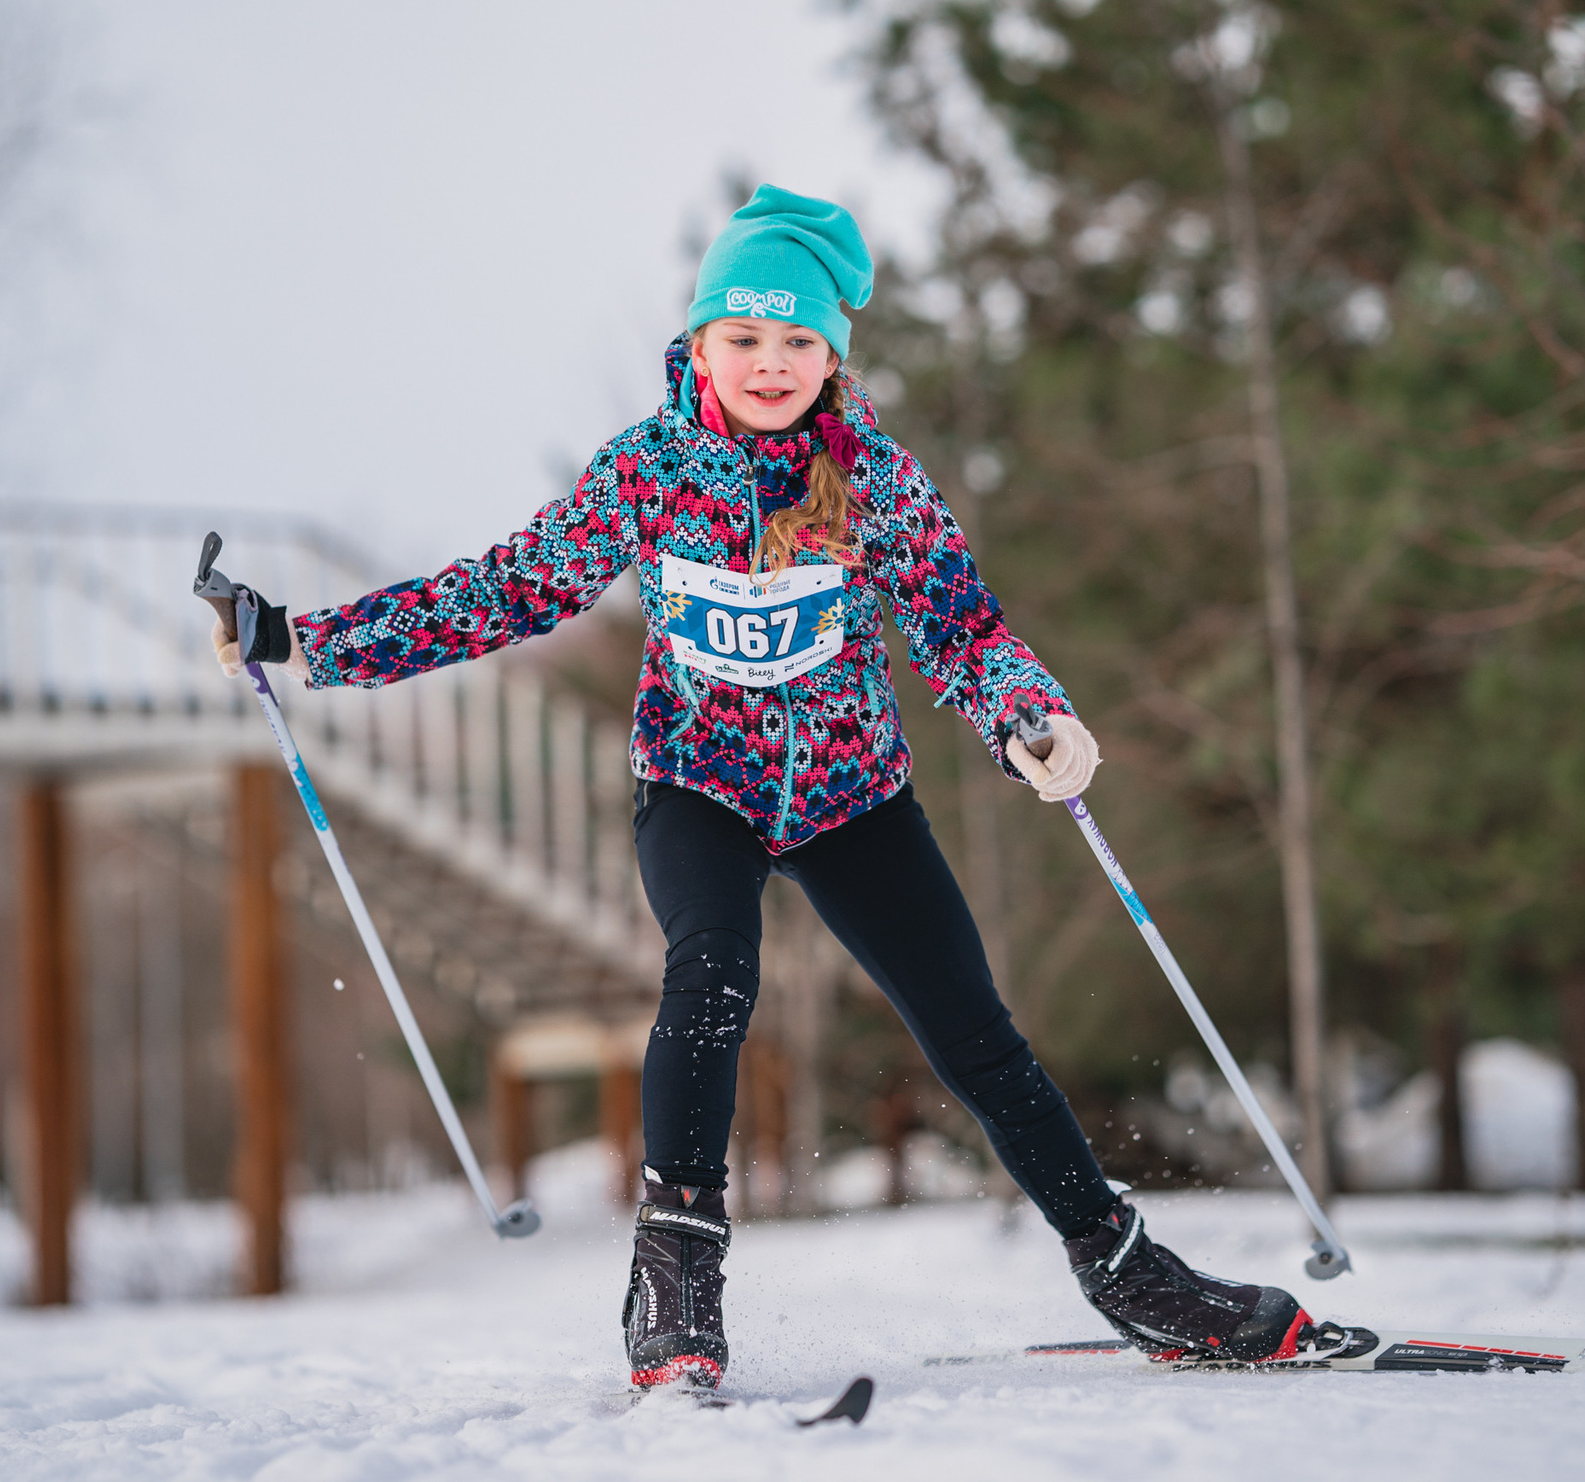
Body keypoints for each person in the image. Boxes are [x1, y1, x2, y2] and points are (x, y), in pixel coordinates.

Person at [218, 184, 1347, 1389]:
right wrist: (304, 640)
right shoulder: (649, 470)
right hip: (699, 782)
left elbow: (961, 629)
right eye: (745, 336)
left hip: (854, 796)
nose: (771, 363)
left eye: (799, 341)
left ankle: (1132, 1276)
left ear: (832, 356)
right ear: (700, 342)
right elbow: (512, 589)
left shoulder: (874, 478)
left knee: (973, 1031)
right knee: (711, 970)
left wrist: (1030, 715)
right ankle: (676, 1285)